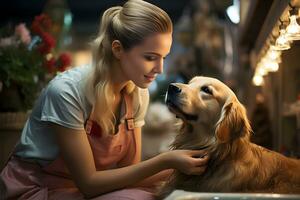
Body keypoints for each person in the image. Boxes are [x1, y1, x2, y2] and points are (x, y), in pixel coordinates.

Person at [0, 0, 208, 199]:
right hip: (35, 190)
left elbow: (130, 175)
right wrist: (166, 160)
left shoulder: (136, 93)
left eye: (163, 57)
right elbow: (89, 184)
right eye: (150, 57)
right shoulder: (66, 92)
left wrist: (194, 166)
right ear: (117, 49)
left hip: (77, 191)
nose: (160, 68)